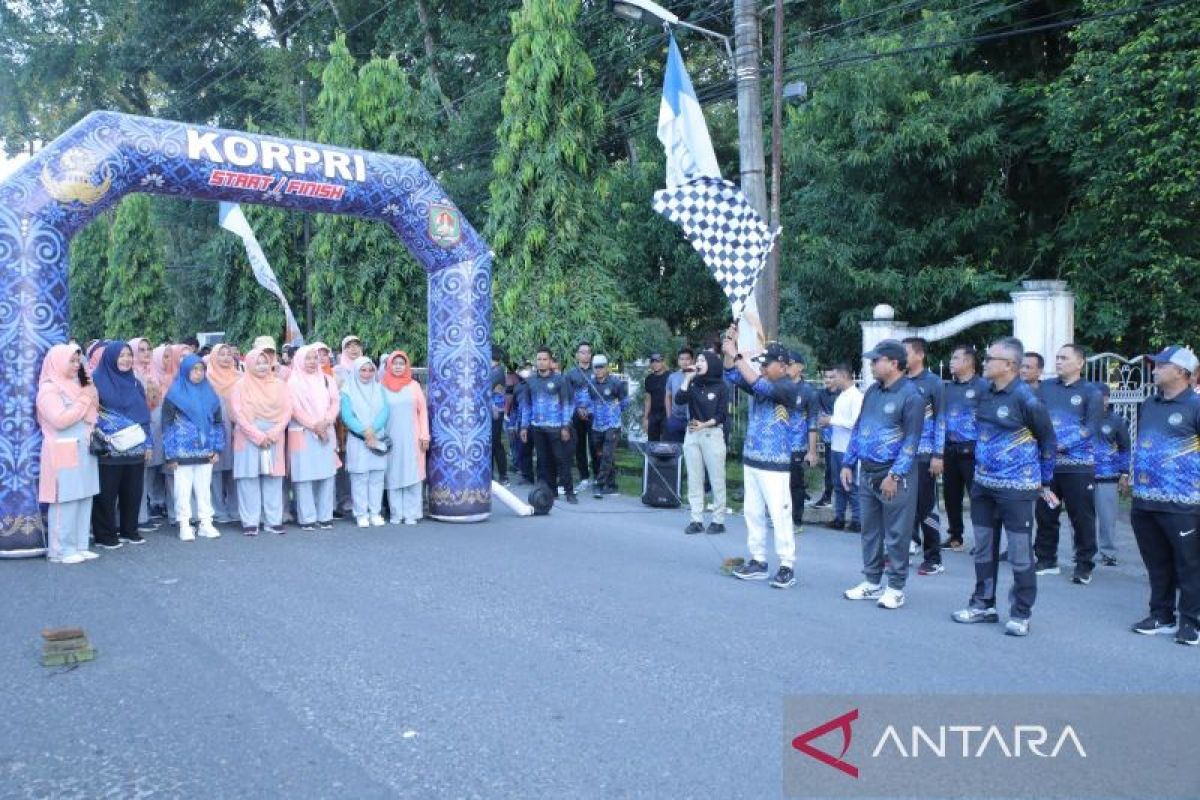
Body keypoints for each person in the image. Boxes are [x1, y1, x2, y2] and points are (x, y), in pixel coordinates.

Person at [951, 336, 1057, 637]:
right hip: (983, 484)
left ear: (1009, 365)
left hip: (1017, 489)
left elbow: (1048, 441)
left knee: (1020, 552)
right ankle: (983, 603)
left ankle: (1021, 612)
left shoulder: (1027, 399)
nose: (983, 363)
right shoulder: (984, 392)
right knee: (983, 547)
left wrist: (1044, 480)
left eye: (989, 359)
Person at [840, 339, 924, 610]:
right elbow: (859, 429)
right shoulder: (873, 392)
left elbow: (912, 441)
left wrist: (895, 475)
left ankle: (896, 587)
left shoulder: (912, 396)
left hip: (894, 476)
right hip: (868, 472)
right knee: (870, 531)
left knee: (897, 534)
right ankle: (872, 582)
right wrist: (848, 462)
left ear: (893, 363)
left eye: (876, 360)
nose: (872, 364)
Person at [1129, 346, 1200, 646]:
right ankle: (1161, 614)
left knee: (1189, 563)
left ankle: (1191, 622)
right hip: (1145, 499)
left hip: (1183, 502)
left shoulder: (1196, 406)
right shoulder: (1150, 403)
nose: (1154, 369)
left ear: (1181, 373)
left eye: (1161, 364)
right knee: (1156, 562)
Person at [722, 334, 800, 589]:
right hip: (752, 459)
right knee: (752, 513)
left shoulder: (788, 386)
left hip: (775, 462)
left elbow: (760, 385)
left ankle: (787, 564)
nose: (763, 369)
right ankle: (758, 560)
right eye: (762, 365)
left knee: (779, 514)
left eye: (767, 365)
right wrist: (727, 348)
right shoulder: (762, 381)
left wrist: (736, 354)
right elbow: (732, 375)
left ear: (784, 366)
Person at [1033, 344, 1103, 584]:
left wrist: (1061, 444)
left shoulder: (1090, 392)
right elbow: (1036, 418)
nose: (1059, 361)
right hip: (1048, 467)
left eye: (1064, 358)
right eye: (1057, 357)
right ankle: (1045, 559)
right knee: (1045, 513)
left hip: (1077, 466)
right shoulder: (1046, 387)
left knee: (1081, 517)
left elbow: (1091, 428)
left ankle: (1084, 565)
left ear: (1080, 363)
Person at [37, 344, 101, 564]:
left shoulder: (79, 385)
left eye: (78, 361)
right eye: (71, 361)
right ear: (58, 361)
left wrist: (91, 393)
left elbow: (93, 416)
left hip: (85, 447)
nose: (76, 366)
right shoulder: (49, 388)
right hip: (62, 448)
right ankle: (60, 550)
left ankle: (80, 545)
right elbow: (60, 420)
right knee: (66, 499)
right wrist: (85, 398)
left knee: (85, 495)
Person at [91, 340, 154, 548]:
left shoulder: (135, 382)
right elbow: (93, 414)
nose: (126, 359)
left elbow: (144, 414)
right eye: (121, 356)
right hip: (111, 447)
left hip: (135, 445)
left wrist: (149, 443)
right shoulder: (96, 381)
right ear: (110, 358)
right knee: (107, 494)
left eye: (128, 355)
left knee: (133, 491)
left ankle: (129, 530)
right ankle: (105, 535)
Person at [162, 353, 224, 541]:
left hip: (205, 450)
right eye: (194, 369)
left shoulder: (210, 393)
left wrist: (217, 448)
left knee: (204, 488)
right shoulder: (174, 394)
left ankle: (205, 522)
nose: (198, 373)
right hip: (182, 451)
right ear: (185, 371)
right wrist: (170, 454)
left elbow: (217, 422)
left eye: (201, 369)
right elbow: (167, 424)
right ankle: (184, 524)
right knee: (182, 489)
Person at [231, 347, 292, 535]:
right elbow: (238, 414)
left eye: (265, 362)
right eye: (257, 362)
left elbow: (287, 410)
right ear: (248, 364)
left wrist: (272, 434)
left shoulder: (280, 385)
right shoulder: (240, 386)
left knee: (273, 478)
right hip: (248, 435)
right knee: (248, 478)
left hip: (274, 435)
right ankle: (250, 521)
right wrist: (257, 435)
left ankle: (273, 520)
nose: (262, 366)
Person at [902, 337, 947, 577]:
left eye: (905, 352)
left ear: (919, 355)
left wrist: (938, 455)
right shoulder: (900, 382)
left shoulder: (934, 383)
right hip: (902, 457)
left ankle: (934, 557)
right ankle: (908, 546)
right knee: (903, 506)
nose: (900, 357)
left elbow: (941, 421)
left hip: (925, 454)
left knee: (927, 507)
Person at [287, 344, 340, 531]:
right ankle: (307, 517)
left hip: (326, 431)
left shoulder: (327, 379)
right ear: (299, 360)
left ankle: (325, 516)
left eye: (314, 358)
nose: (312, 362)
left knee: (327, 474)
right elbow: (294, 410)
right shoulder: (292, 382)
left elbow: (335, 402)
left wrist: (326, 422)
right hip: (303, 432)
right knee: (304, 476)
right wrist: (315, 426)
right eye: (307, 358)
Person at [941, 344, 987, 552]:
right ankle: (955, 536)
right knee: (951, 496)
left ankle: (983, 540)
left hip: (974, 451)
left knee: (977, 497)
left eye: (956, 358)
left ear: (969, 361)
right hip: (950, 449)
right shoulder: (947, 388)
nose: (951, 361)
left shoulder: (983, 387)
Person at [677, 350, 728, 532]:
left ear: (712, 364)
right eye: (697, 360)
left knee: (716, 479)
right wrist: (688, 378)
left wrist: (704, 425)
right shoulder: (693, 384)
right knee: (694, 478)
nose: (698, 362)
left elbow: (722, 415)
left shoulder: (721, 386)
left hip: (712, 434)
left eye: (702, 360)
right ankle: (696, 519)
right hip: (692, 434)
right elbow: (679, 399)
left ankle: (718, 520)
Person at [520, 347, 575, 503]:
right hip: (537, 428)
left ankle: (569, 492)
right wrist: (524, 427)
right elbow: (526, 406)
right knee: (543, 461)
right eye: (539, 359)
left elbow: (567, 404)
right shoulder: (530, 381)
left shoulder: (560, 380)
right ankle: (550, 492)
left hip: (557, 428)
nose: (542, 362)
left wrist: (566, 426)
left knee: (561, 459)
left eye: (545, 359)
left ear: (550, 362)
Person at [381, 351, 430, 525]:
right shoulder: (382, 385)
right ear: (389, 365)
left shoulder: (414, 386)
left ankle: (411, 513)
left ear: (407, 365)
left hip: (413, 436)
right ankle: (396, 513)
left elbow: (423, 412)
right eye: (395, 363)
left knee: (412, 473)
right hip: (391, 437)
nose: (398, 367)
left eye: (402, 363)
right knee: (393, 474)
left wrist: (425, 435)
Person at [1094, 384, 1131, 567]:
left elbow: (1125, 448)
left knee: (1107, 519)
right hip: (1081, 476)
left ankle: (1108, 553)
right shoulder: (1081, 418)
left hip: (1108, 477)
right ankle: (1082, 552)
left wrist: (1124, 474)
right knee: (1079, 519)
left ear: (1108, 398)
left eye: (1102, 397)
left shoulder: (1116, 421)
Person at [582, 354, 628, 500]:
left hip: (612, 425)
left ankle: (599, 484)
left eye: (602, 366)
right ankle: (611, 484)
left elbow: (626, 401)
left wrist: (617, 407)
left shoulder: (616, 382)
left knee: (607, 454)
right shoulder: (590, 383)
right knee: (601, 455)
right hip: (597, 425)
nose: (599, 369)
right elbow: (586, 401)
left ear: (606, 367)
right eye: (596, 367)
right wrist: (586, 409)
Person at [205, 343, 240, 524]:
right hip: (216, 426)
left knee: (235, 469)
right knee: (216, 470)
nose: (226, 358)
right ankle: (218, 509)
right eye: (221, 354)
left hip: (237, 427)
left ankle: (235, 508)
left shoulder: (240, 377)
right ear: (213, 357)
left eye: (228, 354)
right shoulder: (207, 378)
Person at [825, 364, 862, 532]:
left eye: (835, 377)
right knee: (838, 484)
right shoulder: (842, 396)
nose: (833, 380)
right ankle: (839, 517)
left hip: (849, 447)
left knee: (851, 484)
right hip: (836, 446)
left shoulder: (856, 396)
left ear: (844, 376)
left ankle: (857, 519)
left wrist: (830, 420)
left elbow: (855, 424)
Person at [786, 352, 820, 530]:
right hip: (777, 444)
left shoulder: (808, 391)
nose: (787, 367)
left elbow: (812, 422)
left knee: (795, 484)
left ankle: (796, 520)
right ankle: (781, 517)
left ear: (800, 367)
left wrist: (812, 451)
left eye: (790, 364)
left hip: (797, 444)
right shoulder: (778, 386)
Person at [564, 342, 597, 488]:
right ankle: (584, 477)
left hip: (594, 414)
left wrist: (589, 408)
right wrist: (578, 408)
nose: (585, 355)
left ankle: (598, 476)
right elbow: (568, 395)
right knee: (579, 445)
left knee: (595, 445)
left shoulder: (597, 372)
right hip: (576, 414)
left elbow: (599, 394)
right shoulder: (570, 374)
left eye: (588, 352)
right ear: (577, 354)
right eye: (582, 352)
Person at [812, 370, 840, 508]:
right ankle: (827, 496)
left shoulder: (844, 394)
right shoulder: (820, 394)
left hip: (844, 439)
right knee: (829, 468)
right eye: (826, 377)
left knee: (845, 469)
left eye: (831, 377)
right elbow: (817, 413)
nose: (828, 380)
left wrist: (831, 419)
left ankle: (848, 500)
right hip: (829, 437)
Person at [663, 348, 694, 444]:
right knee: (676, 449)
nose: (685, 362)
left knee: (692, 450)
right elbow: (668, 396)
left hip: (693, 420)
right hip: (675, 419)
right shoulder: (672, 377)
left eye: (687, 359)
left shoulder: (697, 376)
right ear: (678, 361)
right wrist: (669, 417)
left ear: (692, 360)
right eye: (682, 359)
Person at [490, 346, 509, 485]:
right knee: (491, 443)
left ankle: (503, 475)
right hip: (492, 410)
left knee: (495, 443)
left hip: (496, 411)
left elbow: (484, 387)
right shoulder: (494, 370)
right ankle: (491, 474)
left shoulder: (497, 371)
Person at [641, 353, 669, 442]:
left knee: (667, 443)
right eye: (653, 361)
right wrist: (645, 418)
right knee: (652, 443)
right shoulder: (649, 379)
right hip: (653, 415)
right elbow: (648, 399)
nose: (655, 364)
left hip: (667, 414)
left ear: (663, 362)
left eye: (658, 361)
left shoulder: (670, 376)